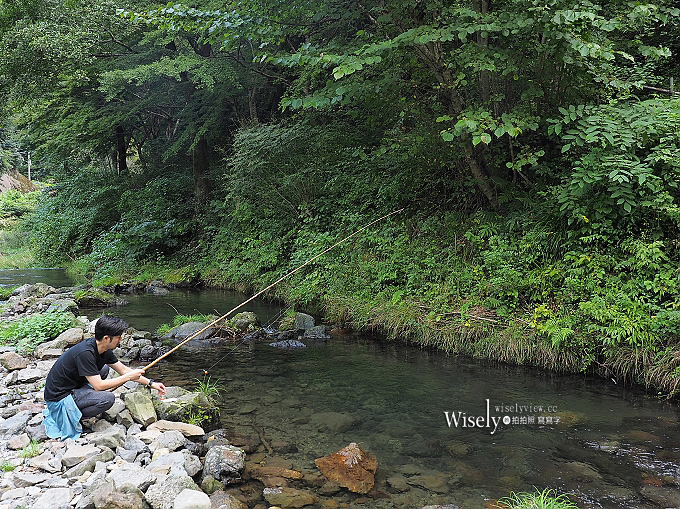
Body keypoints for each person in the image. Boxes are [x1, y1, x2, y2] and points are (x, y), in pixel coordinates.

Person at [42, 315, 166, 440]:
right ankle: (73, 416)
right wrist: (128, 378)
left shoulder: (103, 349)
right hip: (59, 398)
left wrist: (151, 383)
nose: (121, 340)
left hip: (74, 387)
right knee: (107, 399)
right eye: (118, 337)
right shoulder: (85, 353)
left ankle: (85, 398)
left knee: (103, 369)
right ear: (106, 338)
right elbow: (99, 385)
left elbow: (123, 370)